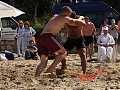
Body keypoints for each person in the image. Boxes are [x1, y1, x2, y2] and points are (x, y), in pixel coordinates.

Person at [35, 6, 82, 77]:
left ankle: (36, 77)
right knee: (64, 52)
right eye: (69, 14)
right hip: (48, 37)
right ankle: (51, 68)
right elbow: (74, 22)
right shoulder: (64, 18)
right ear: (66, 13)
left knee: (43, 62)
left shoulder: (55, 16)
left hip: (40, 38)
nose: (70, 16)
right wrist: (81, 18)